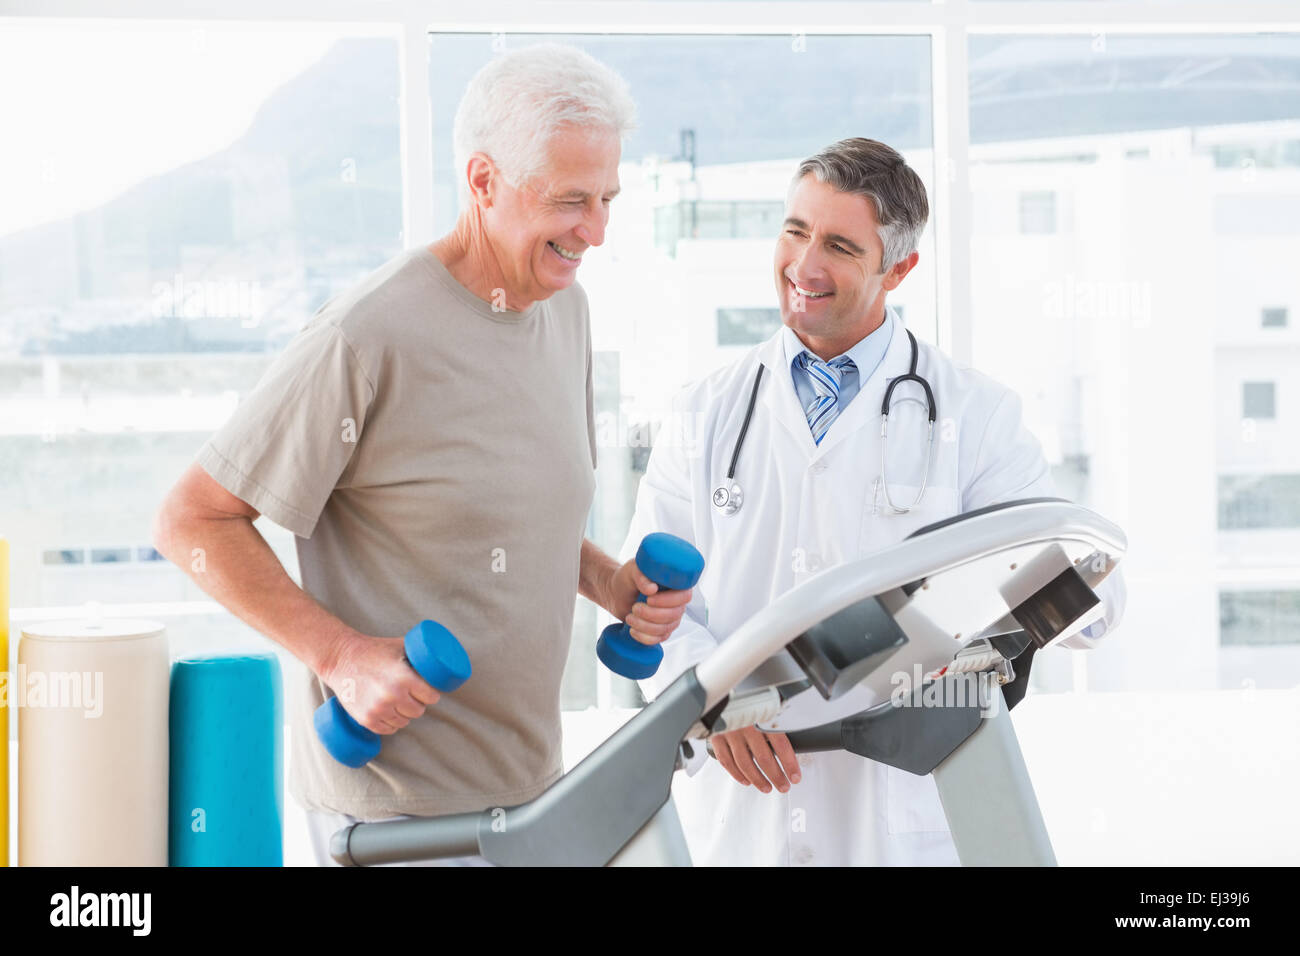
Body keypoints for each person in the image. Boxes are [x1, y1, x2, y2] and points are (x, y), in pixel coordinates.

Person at [151, 43, 691, 867]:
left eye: (609, 198)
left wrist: (609, 583)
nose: (598, 231)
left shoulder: (563, 309)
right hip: (402, 822)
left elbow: (508, 512)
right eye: (572, 200)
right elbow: (193, 519)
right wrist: (340, 656)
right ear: (482, 182)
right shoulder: (368, 332)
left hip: (531, 792)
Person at [620, 137, 1127, 866]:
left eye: (838, 245)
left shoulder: (974, 414)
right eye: (794, 231)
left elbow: (1085, 591)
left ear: (900, 267)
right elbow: (654, 606)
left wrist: (1017, 621)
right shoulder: (706, 412)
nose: (804, 266)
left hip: (899, 808)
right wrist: (712, 704)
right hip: (745, 810)